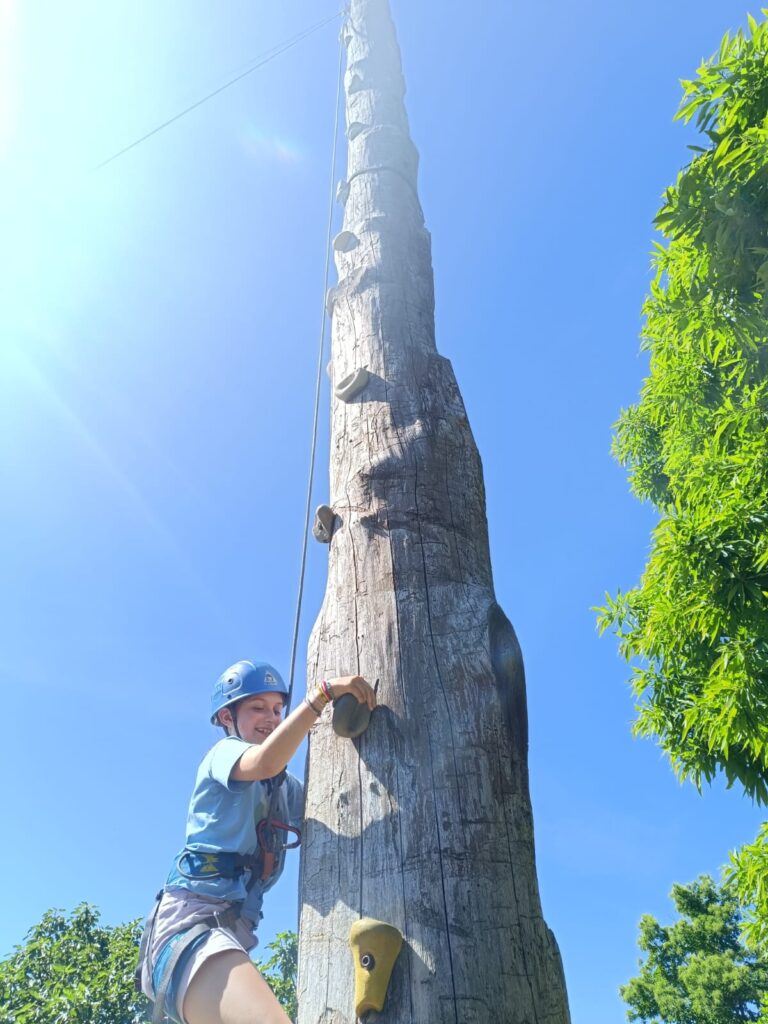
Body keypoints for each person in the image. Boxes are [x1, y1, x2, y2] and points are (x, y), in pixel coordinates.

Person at [137, 659, 376, 1024]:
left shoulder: (282, 788)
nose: (271, 716)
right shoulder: (224, 754)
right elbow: (266, 761)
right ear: (227, 718)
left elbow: (333, 802)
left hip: (231, 935)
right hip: (190, 929)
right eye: (257, 707)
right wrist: (322, 696)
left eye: (278, 709)